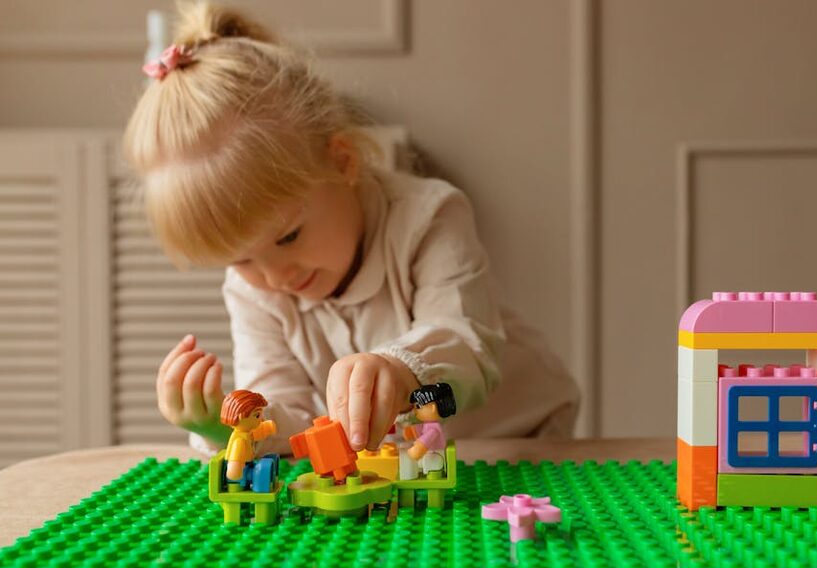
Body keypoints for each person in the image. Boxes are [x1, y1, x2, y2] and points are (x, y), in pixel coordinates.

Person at [123, 2, 580, 457]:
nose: (275, 276)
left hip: (518, 439)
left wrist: (401, 369)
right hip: (412, 463)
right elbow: (291, 420)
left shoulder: (428, 217)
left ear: (342, 161)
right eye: (241, 259)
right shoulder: (253, 292)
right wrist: (224, 424)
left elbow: (467, 342)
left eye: (288, 237)